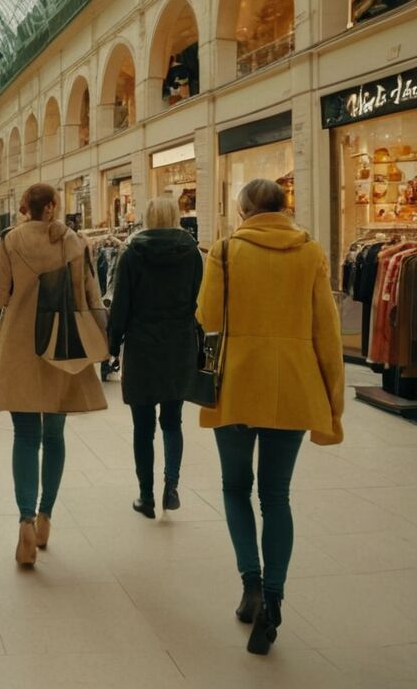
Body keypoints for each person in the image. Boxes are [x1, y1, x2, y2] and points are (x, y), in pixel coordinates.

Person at [198, 178, 343, 655]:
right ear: (284, 208)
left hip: (237, 384)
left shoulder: (224, 251)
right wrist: (333, 401)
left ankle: (252, 586)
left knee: (235, 488)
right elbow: (327, 331)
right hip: (295, 388)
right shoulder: (311, 253)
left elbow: (207, 318)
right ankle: (276, 598)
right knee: (276, 495)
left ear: (243, 211)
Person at [0, 183, 108, 567]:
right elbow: (93, 296)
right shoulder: (76, 242)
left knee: (25, 435)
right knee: (54, 435)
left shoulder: (9, 242)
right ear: (53, 206)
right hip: (64, 346)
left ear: (25, 208)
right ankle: (45, 517)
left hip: (22, 345)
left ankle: (23, 519)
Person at [106, 196, 202, 519]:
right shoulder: (192, 254)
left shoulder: (132, 253)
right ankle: (171, 483)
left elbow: (120, 305)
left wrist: (112, 343)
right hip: (178, 345)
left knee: (142, 426)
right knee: (173, 422)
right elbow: (196, 301)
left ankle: (145, 496)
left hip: (142, 347)